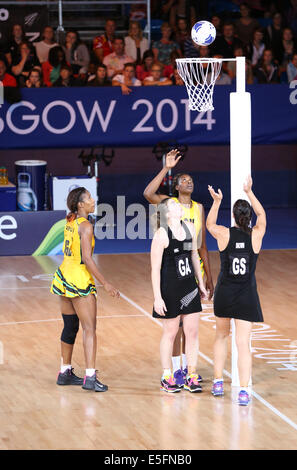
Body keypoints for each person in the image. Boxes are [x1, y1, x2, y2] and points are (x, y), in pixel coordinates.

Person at [144, 149, 214, 388]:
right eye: (183, 180)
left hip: (190, 281)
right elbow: (147, 193)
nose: (189, 182)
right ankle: (172, 371)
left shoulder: (195, 212)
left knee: (192, 331)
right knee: (173, 331)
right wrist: (166, 167)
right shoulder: (165, 214)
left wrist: (205, 279)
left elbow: (199, 250)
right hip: (171, 282)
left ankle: (190, 370)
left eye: (190, 179)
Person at [51, 187, 120, 392]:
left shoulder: (69, 220)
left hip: (63, 276)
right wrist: (105, 283)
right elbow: (87, 259)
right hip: (80, 280)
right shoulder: (86, 225)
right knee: (89, 329)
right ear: (81, 204)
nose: (93, 200)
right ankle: (90, 377)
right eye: (89, 198)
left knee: (70, 327)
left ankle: (64, 372)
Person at [206, 176, 266, 406]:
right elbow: (262, 215)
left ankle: (219, 382)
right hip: (246, 294)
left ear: (232, 216)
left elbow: (209, 225)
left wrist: (216, 201)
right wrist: (249, 192)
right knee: (243, 343)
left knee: (221, 336)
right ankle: (243, 391)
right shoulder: (256, 235)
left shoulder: (224, 234)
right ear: (248, 217)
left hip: (225, 293)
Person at [151, 197, 207, 393]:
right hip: (170, 289)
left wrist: (201, 283)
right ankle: (167, 375)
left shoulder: (190, 228)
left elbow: (194, 256)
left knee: (192, 332)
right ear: (167, 214)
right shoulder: (161, 235)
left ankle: (191, 374)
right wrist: (157, 297)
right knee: (171, 333)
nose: (178, 205)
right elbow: (155, 269)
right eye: (173, 205)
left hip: (188, 287)